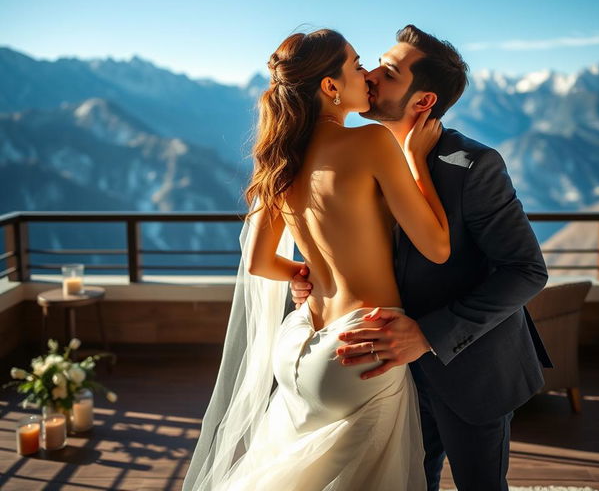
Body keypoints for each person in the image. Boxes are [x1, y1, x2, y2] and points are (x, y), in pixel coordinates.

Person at [182, 29, 450, 491]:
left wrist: (304, 274)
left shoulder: (280, 157)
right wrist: (417, 159)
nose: (366, 75)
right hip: (361, 345)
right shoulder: (370, 143)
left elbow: (260, 263)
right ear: (330, 87)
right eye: (355, 64)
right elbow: (438, 247)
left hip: (299, 344)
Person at [292, 24, 554, 491]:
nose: (370, 74)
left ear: (423, 101)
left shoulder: (473, 166)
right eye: (373, 62)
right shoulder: (353, 150)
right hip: (382, 374)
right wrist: (308, 276)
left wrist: (429, 335)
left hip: (470, 371)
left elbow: (527, 270)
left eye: (389, 72)